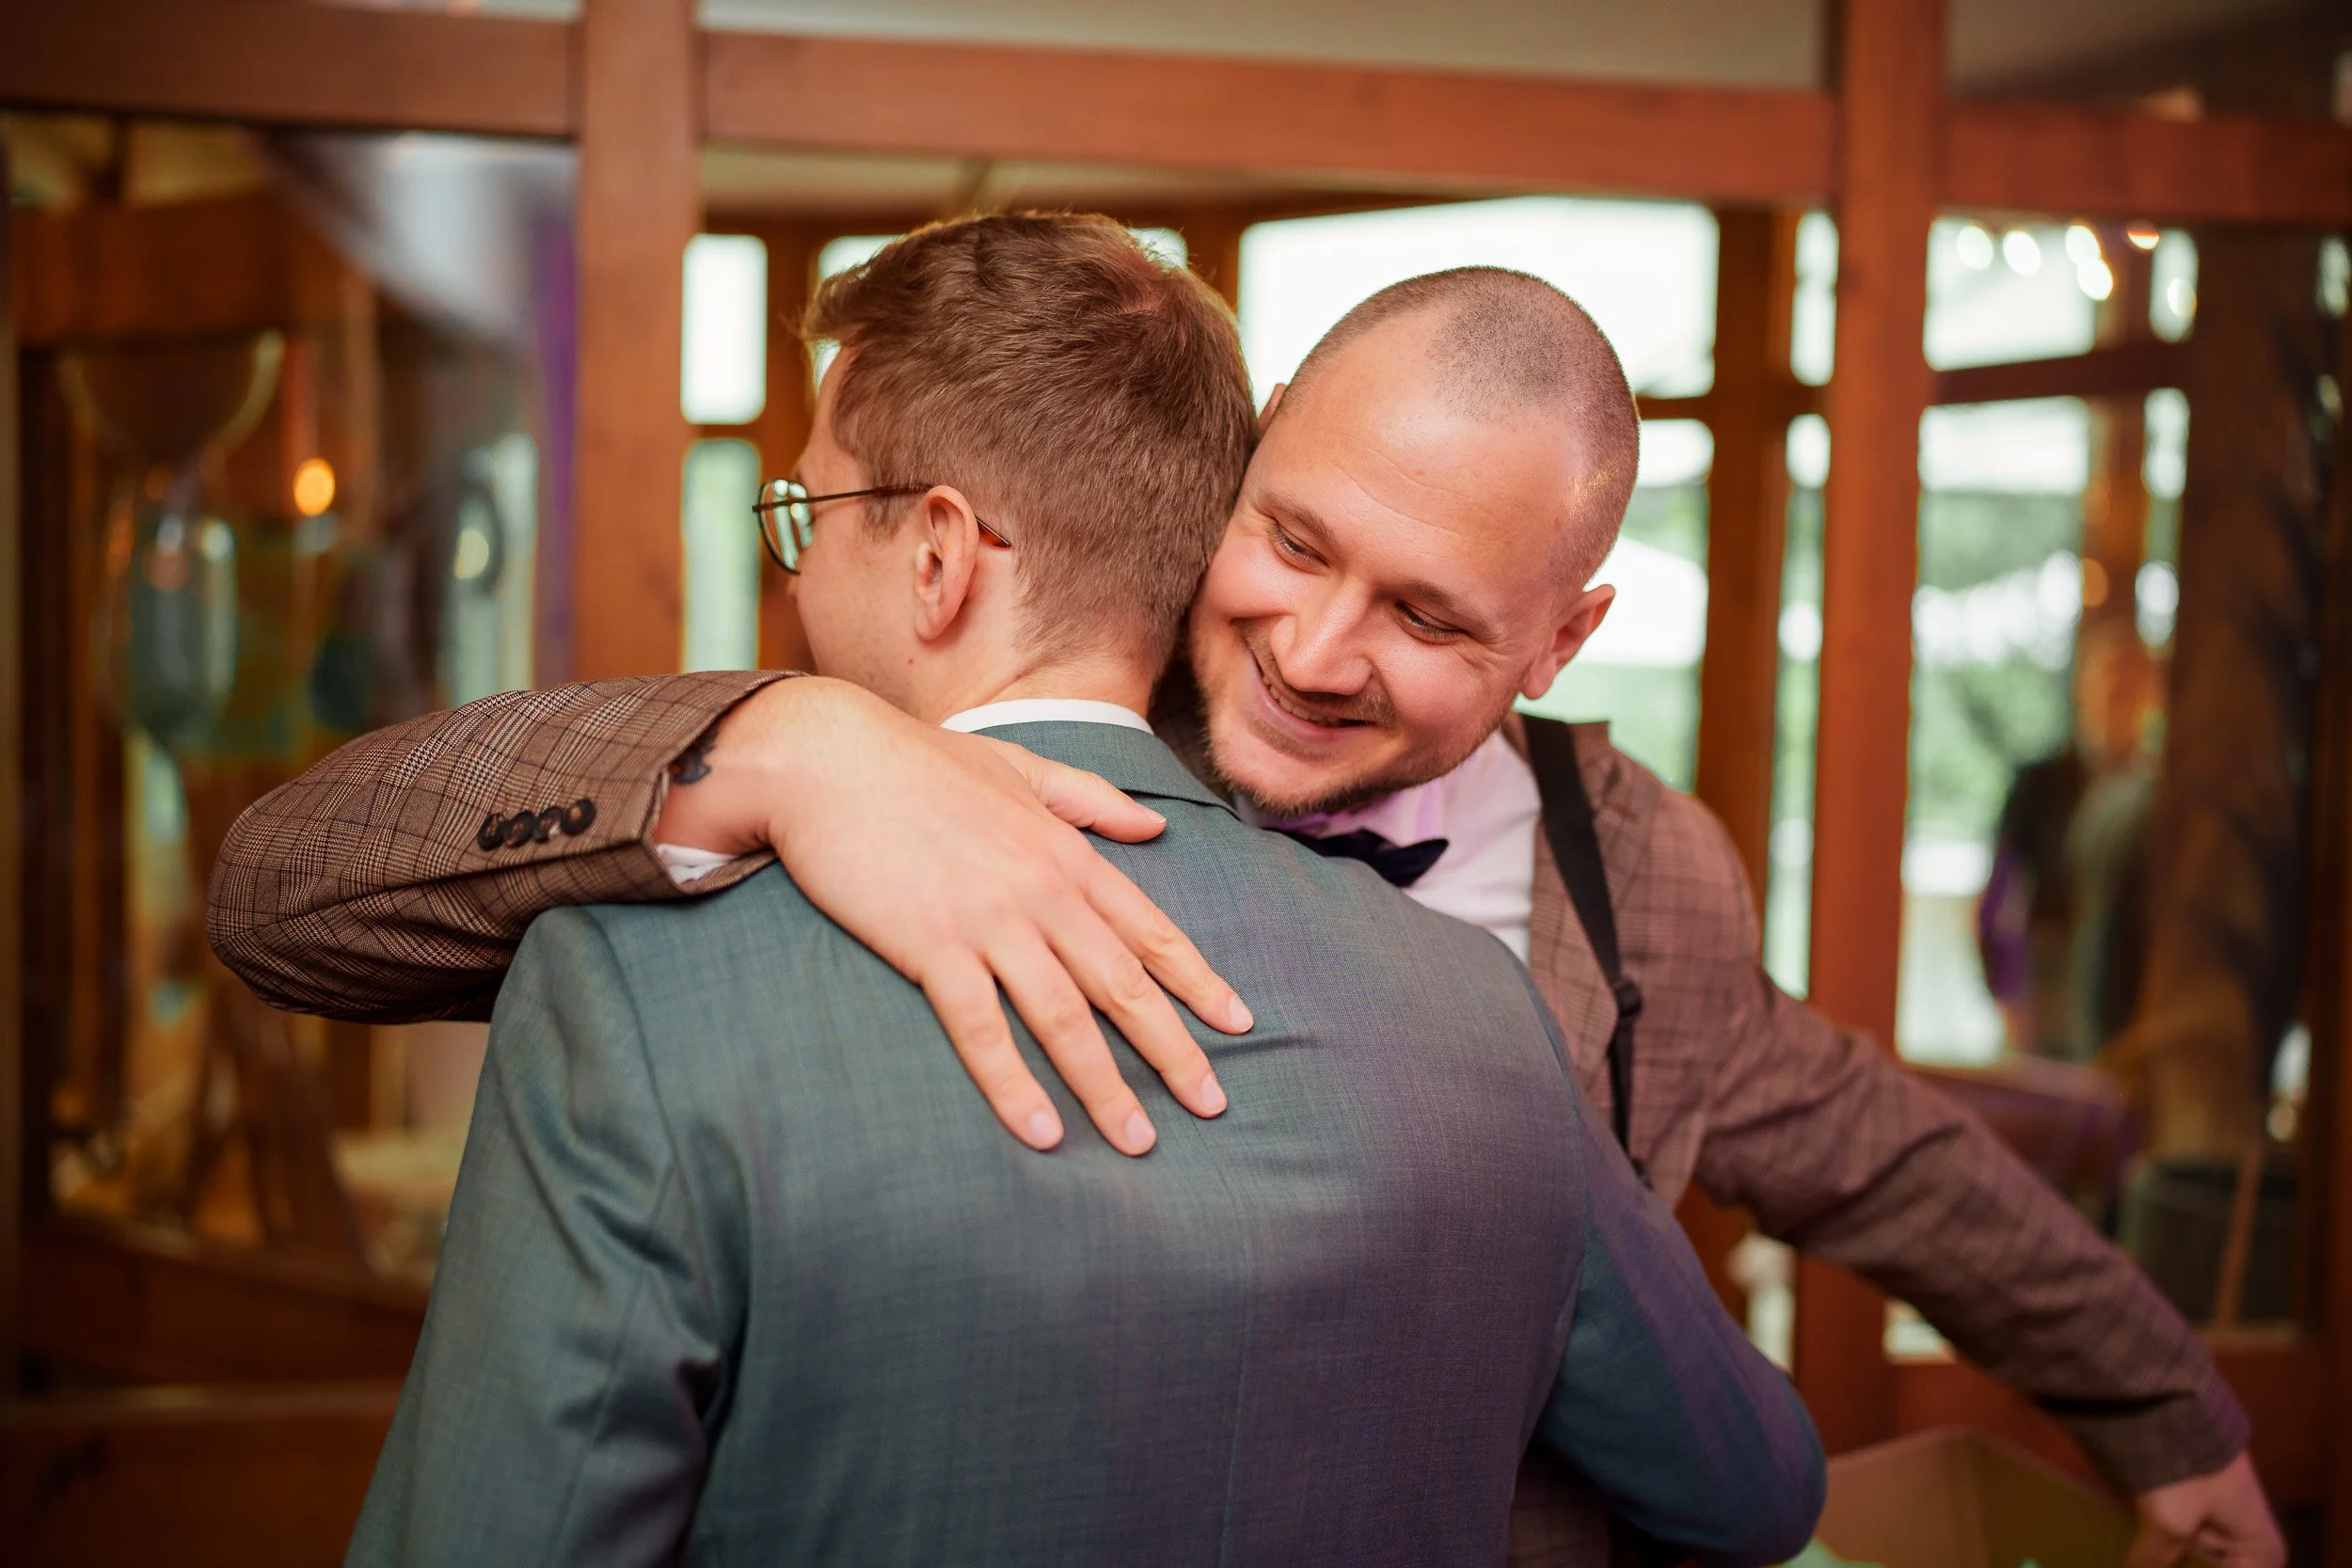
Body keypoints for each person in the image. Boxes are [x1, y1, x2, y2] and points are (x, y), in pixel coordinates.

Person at [213, 241, 2278, 1566]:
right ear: (1241, 455)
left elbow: (1883, 1156)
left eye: (1429, 615)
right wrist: (782, 739)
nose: (1308, 649)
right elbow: (299, 896)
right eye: (1290, 541)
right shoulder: (997, 708)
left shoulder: (1632, 882)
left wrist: (2165, 1405)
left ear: (1559, 637)